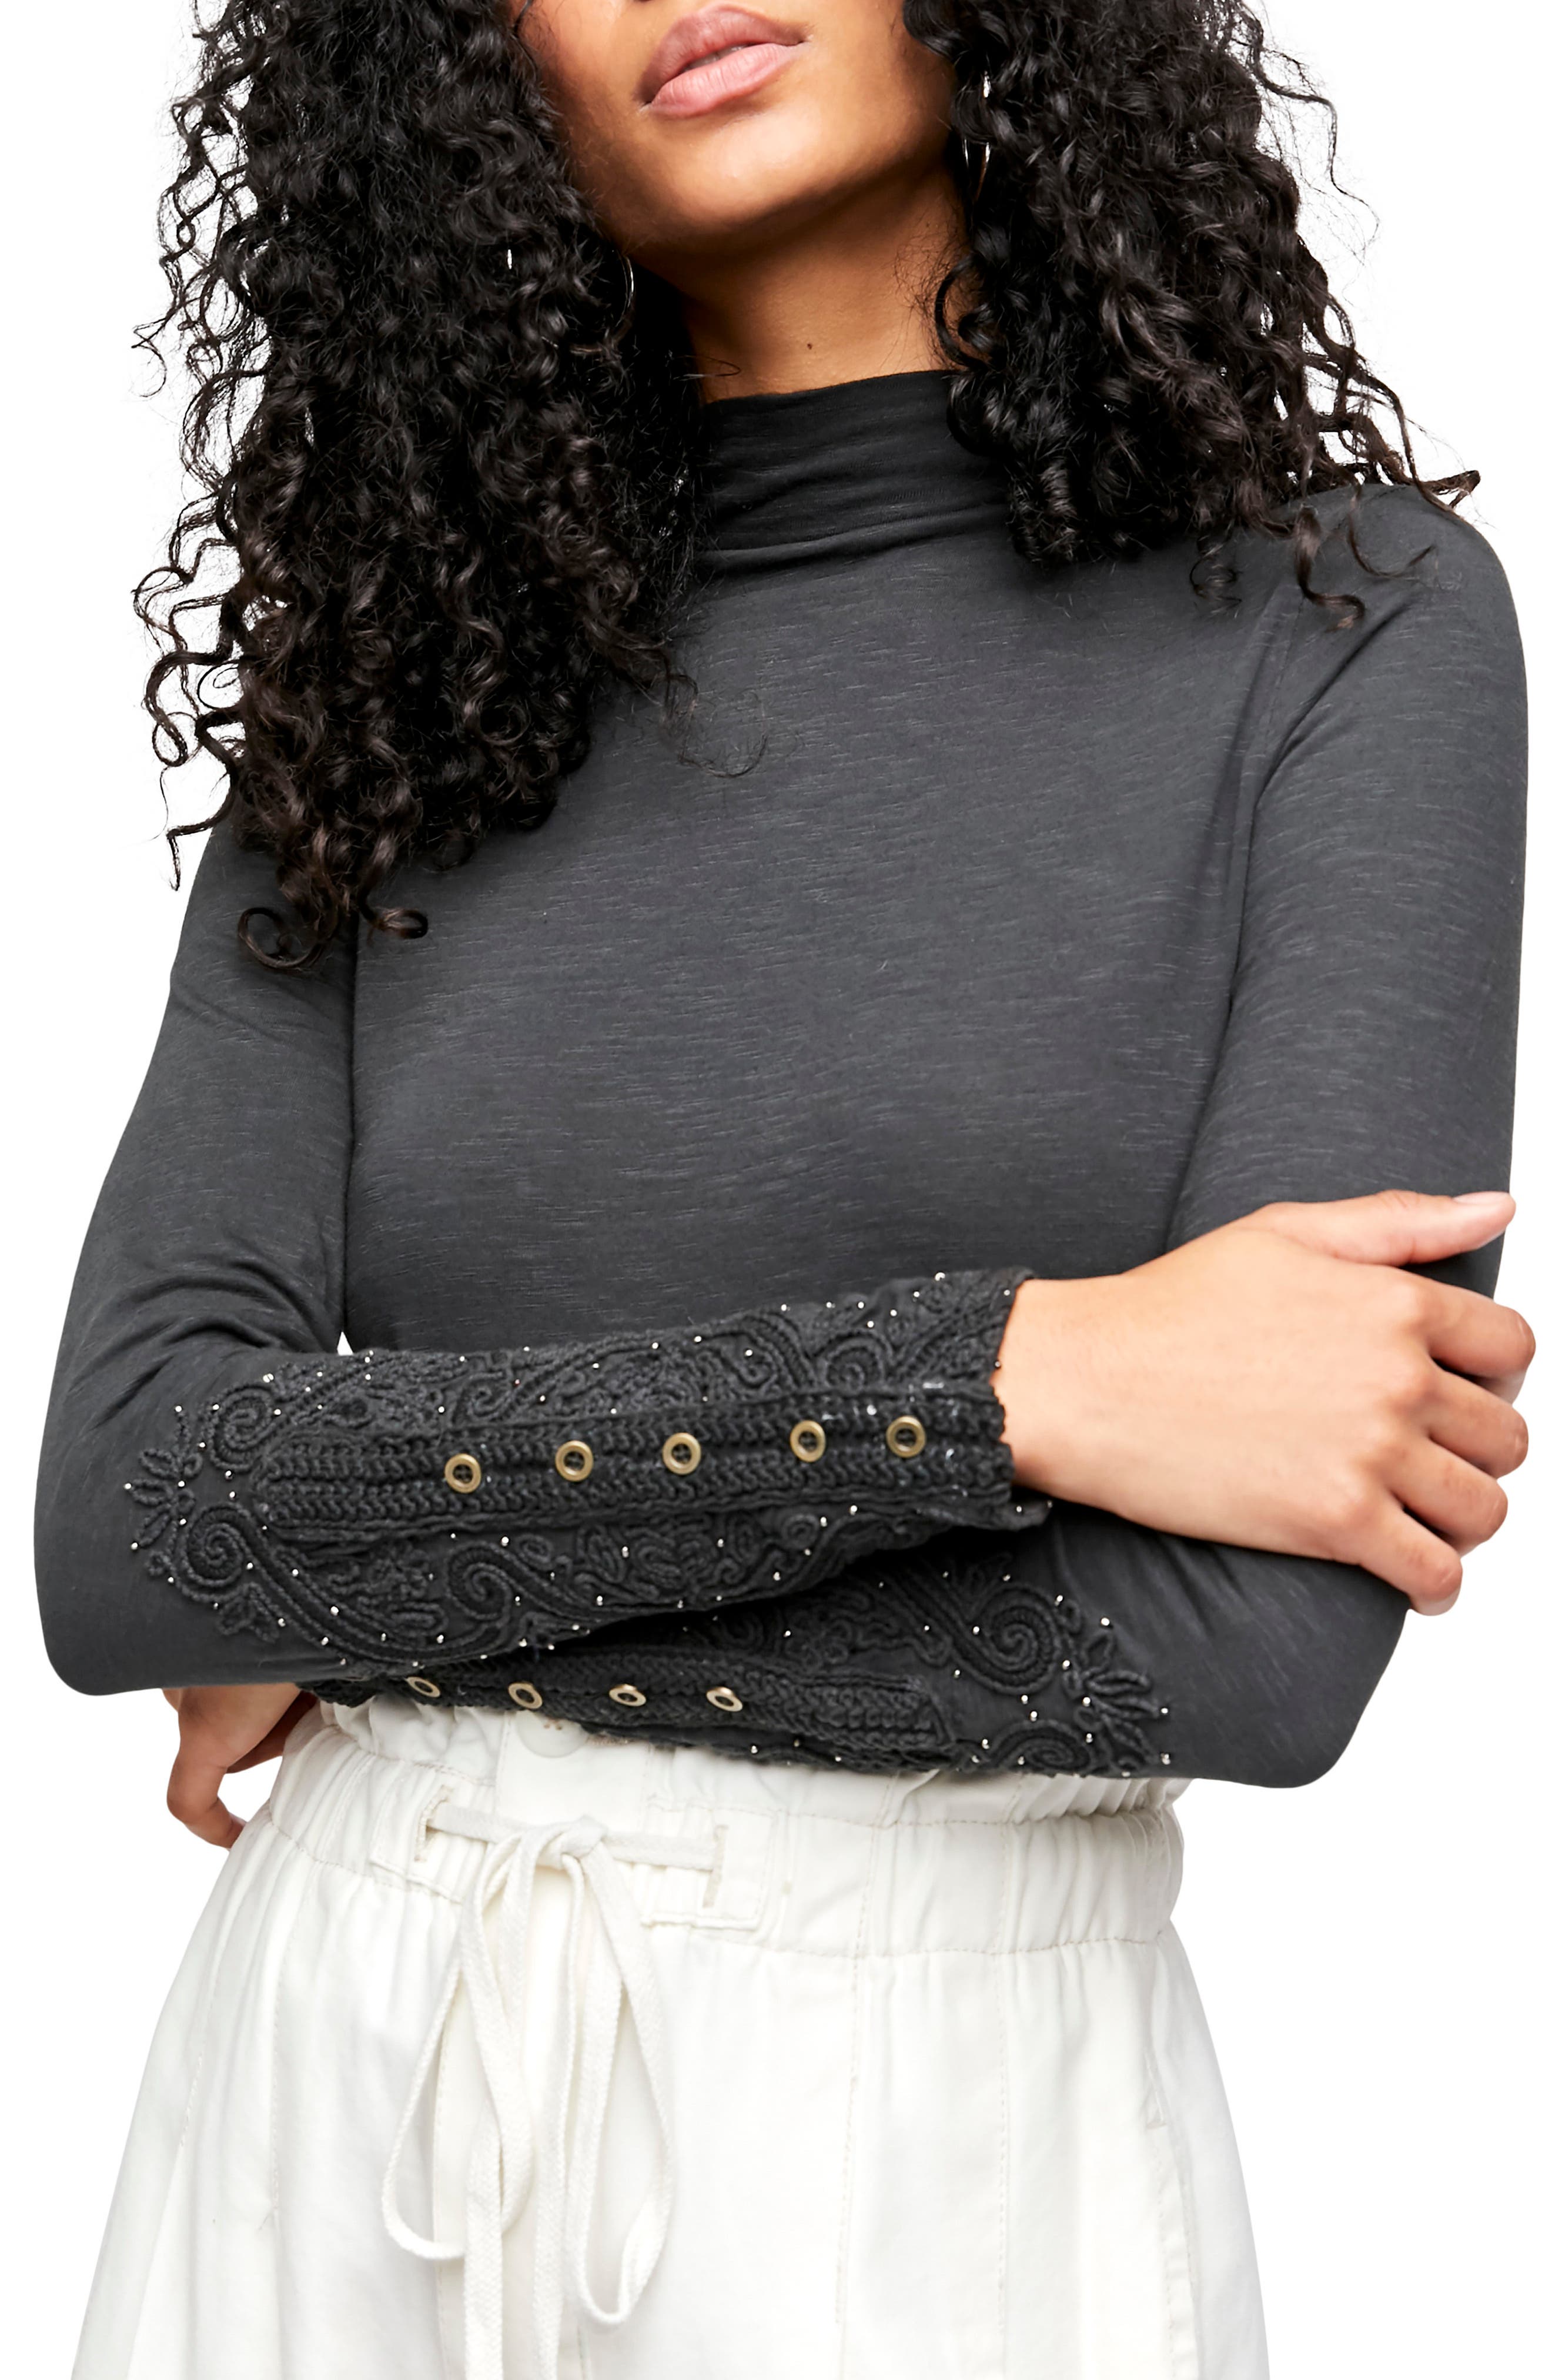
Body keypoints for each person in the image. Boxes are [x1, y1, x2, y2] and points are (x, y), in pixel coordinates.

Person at [36, 2, 1532, 2375]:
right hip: (331, 2085)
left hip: (939, 2153)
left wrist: (376, 1580)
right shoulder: (396, 696)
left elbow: (1248, 1656)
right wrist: (1006, 1379)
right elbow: (130, 1525)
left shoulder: (1346, 629)